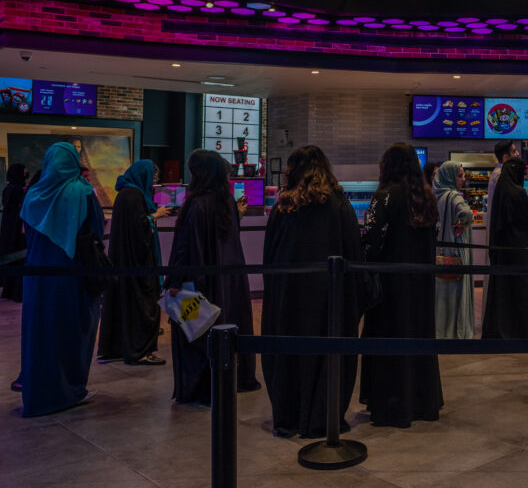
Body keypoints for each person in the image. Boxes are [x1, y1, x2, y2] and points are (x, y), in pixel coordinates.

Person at [261, 146, 365, 438]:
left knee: (290, 355)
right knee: (326, 355)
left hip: (288, 298)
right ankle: (322, 416)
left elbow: (269, 258)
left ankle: (289, 416)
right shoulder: (338, 204)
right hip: (329, 299)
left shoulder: (284, 207)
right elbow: (353, 253)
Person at [165, 150, 260, 405]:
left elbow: (185, 248)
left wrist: (174, 282)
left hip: (198, 285)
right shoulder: (226, 201)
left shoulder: (196, 205)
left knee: (193, 335)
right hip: (228, 284)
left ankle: (198, 387)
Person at [17, 142, 105, 416]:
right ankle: (70, 391)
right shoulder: (81, 192)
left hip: (37, 279)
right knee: (72, 332)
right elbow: (97, 229)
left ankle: (38, 393)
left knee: (39, 334)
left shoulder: (32, 194)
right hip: (71, 277)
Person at [360, 143, 443, 428]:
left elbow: (371, 240)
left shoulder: (384, 196)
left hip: (390, 287)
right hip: (420, 285)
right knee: (418, 335)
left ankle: (392, 404)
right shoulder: (426, 198)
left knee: (389, 339)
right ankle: (422, 401)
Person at [97, 160, 171, 365]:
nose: (154, 181)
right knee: (143, 302)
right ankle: (141, 351)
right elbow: (139, 228)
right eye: (153, 177)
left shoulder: (125, 194)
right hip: (138, 262)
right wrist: (156, 215)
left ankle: (121, 346)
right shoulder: (134, 196)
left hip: (125, 260)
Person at [482, 158, 528, 339]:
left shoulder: (500, 191)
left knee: (502, 292)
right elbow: (527, 225)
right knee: (521, 292)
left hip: (501, 249)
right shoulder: (519, 192)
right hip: (519, 249)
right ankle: (521, 331)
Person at [433, 161, 475, 339]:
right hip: (457, 251)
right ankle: (457, 331)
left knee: (442, 293)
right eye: (459, 175)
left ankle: (441, 331)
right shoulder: (454, 196)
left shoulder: (438, 195)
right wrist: (463, 222)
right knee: (457, 292)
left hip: (441, 252)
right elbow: (467, 213)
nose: (463, 179)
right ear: (450, 177)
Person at [0, 164, 29, 302]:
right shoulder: (18, 190)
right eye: (24, 171)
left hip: (9, 227)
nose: (26, 172)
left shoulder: (8, 189)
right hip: (17, 228)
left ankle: (8, 288)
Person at [486, 140, 519, 229]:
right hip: (502, 229)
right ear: (505, 157)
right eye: (514, 151)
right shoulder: (500, 174)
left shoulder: (499, 172)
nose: (517, 153)